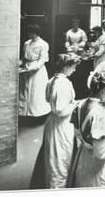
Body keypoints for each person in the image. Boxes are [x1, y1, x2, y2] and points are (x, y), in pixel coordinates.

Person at [30, 54, 80, 189]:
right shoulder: (63, 83)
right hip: (61, 126)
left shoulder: (52, 80)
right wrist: (76, 105)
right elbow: (61, 111)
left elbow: (51, 102)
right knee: (60, 162)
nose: (74, 70)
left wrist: (72, 103)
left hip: (52, 123)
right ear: (67, 66)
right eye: (73, 67)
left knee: (52, 159)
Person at [68, 70, 105, 188]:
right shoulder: (100, 113)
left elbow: (77, 132)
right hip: (96, 163)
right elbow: (101, 153)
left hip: (83, 154)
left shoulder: (79, 105)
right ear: (103, 90)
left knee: (81, 182)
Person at [19, 24, 51, 117]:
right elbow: (24, 57)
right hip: (26, 67)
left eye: (31, 33)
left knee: (35, 92)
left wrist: (31, 68)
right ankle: (24, 112)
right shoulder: (27, 43)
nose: (29, 35)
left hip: (37, 71)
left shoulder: (43, 44)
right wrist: (20, 64)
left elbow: (42, 60)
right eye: (29, 33)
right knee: (24, 90)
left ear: (36, 33)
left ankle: (37, 114)